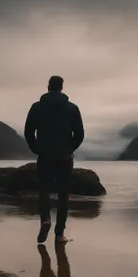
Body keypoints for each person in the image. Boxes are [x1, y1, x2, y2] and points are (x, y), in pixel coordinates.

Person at [24, 76, 84, 243]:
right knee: (63, 195)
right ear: (62, 87)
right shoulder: (72, 108)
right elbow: (79, 134)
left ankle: (45, 220)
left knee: (44, 191)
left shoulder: (37, 108)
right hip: (64, 157)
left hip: (45, 156)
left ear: (48, 87)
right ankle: (59, 235)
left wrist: (36, 149)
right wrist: (69, 148)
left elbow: (29, 131)